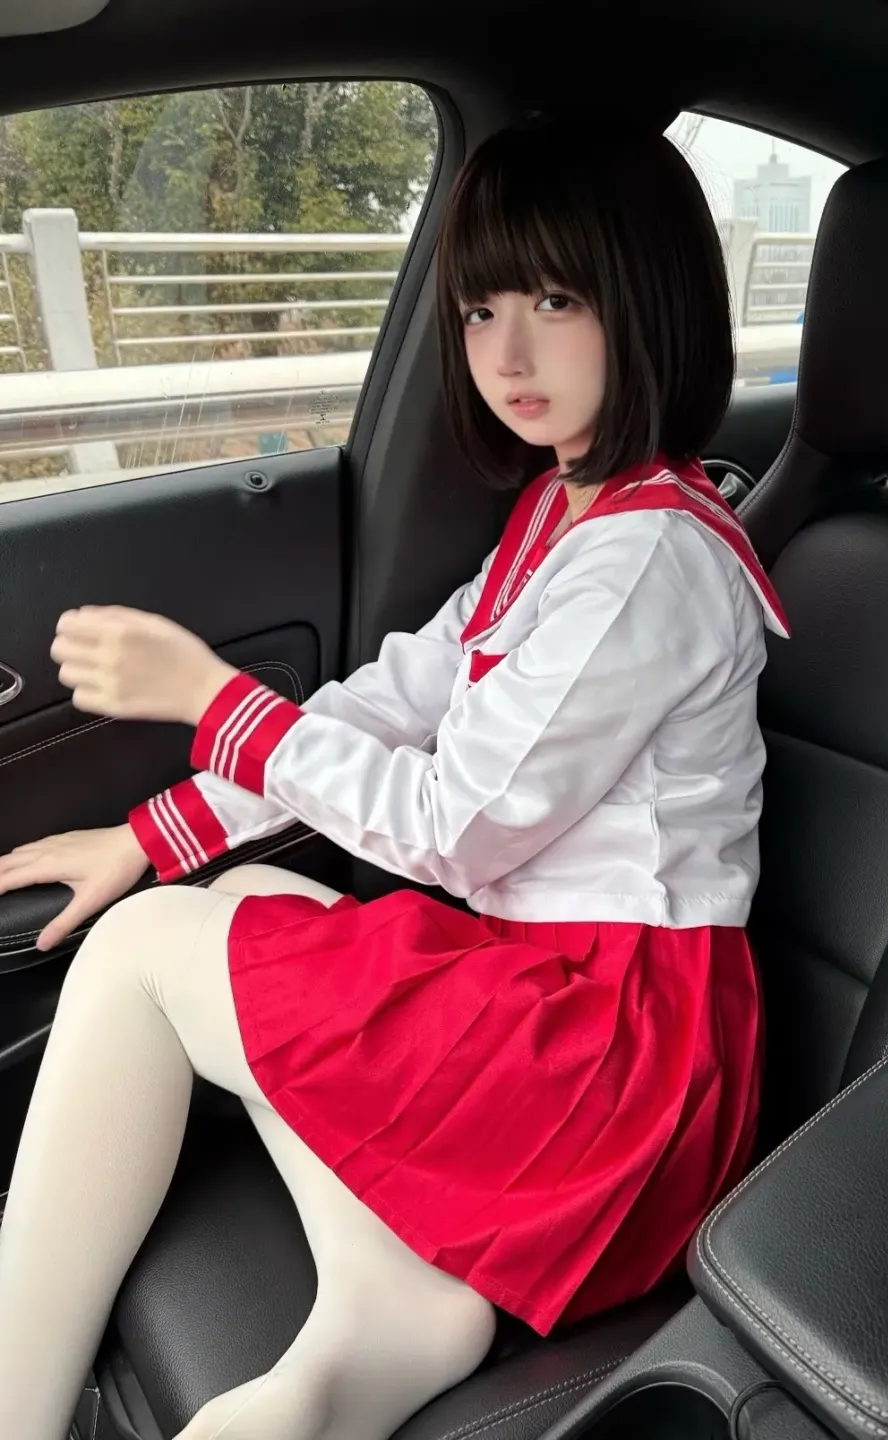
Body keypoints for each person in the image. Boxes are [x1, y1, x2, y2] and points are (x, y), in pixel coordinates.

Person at [0, 119, 788, 1440]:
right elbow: (395, 698)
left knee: (141, 954)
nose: (507, 355)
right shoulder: (565, 516)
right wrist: (152, 833)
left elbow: (452, 827)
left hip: (610, 1065)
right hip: (566, 998)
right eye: (480, 310)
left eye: (556, 302)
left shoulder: (650, 559)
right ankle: (389, 1314)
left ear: (648, 301)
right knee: (243, 898)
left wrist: (214, 701)